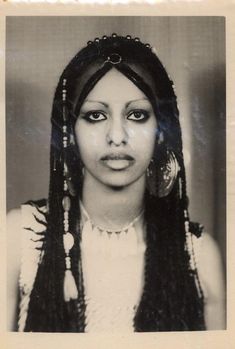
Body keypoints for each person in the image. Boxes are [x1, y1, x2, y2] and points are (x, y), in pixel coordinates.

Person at [7, 34, 225, 332]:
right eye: (95, 115)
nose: (117, 136)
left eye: (137, 115)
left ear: (161, 131)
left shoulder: (199, 256)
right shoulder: (19, 238)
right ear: (70, 131)